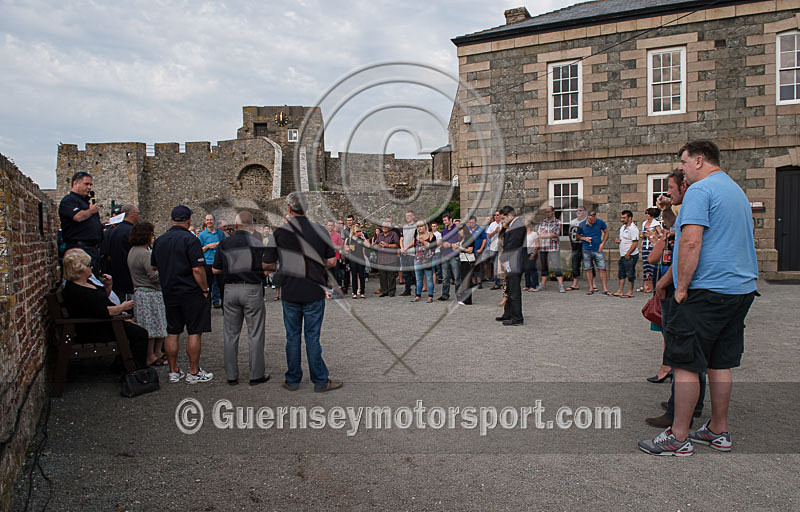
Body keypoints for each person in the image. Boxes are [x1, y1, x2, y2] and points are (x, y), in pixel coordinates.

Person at [639, 140, 758, 456]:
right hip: (739, 288)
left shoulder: (700, 191)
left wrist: (680, 288)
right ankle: (718, 430)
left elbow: (691, 243)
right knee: (720, 363)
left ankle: (678, 437)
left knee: (685, 363)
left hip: (706, 290)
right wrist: (667, 280)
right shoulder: (734, 190)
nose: (682, 168)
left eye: (684, 161)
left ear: (700, 160)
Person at [643, 168, 705, 428]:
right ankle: (690, 404)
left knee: (682, 351)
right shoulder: (685, 209)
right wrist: (667, 212)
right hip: (676, 284)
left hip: (679, 287)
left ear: (684, 186)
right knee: (685, 349)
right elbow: (674, 227)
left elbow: (686, 247)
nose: (667, 192)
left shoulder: (695, 206)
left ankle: (678, 411)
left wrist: (665, 282)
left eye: (670, 187)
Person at [262, 192, 343, 392]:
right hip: (313, 289)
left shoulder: (280, 233)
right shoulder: (320, 230)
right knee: (312, 337)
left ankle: (292, 379)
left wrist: (285, 266)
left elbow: (267, 264)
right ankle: (320, 380)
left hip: (290, 290)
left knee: (292, 336)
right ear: (307, 209)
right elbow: (332, 261)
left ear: (289, 209)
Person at [151, 205, 214, 384]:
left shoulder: (160, 240)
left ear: (172, 219)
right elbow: (197, 269)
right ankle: (193, 371)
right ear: (189, 220)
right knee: (195, 331)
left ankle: (173, 370)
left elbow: (154, 266)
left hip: (170, 290)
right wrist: (204, 289)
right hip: (190, 291)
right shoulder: (190, 240)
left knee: (173, 331)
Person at [61, 248, 147, 368]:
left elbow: (98, 303)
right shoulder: (77, 290)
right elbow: (102, 310)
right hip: (94, 329)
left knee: (135, 330)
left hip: (101, 323)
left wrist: (108, 287)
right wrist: (123, 307)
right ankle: (135, 367)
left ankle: (123, 364)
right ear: (80, 268)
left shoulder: (83, 284)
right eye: (88, 265)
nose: (91, 267)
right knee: (140, 334)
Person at [212, 211, 269, 386]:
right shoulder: (257, 243)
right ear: (252, 225)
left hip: (230, 289)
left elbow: (215, 269)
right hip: (251, 288)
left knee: (230, 334)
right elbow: (267, 268)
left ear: (235, 225)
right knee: (255, 333)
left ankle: (231, 375)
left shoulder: (225, 243)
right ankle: (256, 374)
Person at [126, 222, 167, 367]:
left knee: (155, 324)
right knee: (151, 326)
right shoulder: (144, 254)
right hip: (149, 293)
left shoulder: (133, 251)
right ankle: (151, 355)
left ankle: (156, 352)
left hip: (142, 292)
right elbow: (154, 276)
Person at [59, 172, 104, 273]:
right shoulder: (69, 200)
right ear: (75, 183)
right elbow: (78, 217)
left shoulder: (86, 202)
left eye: (90, 185)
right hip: (79, 249)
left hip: (92, 249)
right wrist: (91, 211)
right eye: (86, 184)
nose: (89, 187)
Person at [497, 206, 526, 325]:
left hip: (515, 262)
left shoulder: (517, 225)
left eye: (503, 218)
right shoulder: (513, 225)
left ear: (509, 215)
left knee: (514, 290)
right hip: (511, 261)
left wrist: (503, 259)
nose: (502, 221)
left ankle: (517, 317)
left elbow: (512, 245)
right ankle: (508, 313)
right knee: (509, 288)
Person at [105, 204, 140, 299]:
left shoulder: (113, 231)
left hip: (116, 273)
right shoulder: (133, 231)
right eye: (138, 213)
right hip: (130, 274)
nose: (138, 216)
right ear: (132, 214)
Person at [535, 206, 565, 293]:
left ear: (553, 212)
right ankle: (542, 285)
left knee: (556, 267)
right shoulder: (542, 222)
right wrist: (550, 235)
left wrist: (546, 235)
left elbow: (556, 233)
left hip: (553, 248)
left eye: (548, 211)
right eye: (546, 212)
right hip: (543, 247)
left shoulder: (557, 222)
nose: (547, 213)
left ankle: (561, 285)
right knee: (544, 267)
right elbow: (539, 234)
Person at [197, 213, 225, 308]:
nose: (209, 221)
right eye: (207, 220)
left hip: (219, 263)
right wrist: (208, 246)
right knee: (208, 287)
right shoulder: (202, 235)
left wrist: (219, 245)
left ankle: (224, 308)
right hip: (208, 263)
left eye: (211, 220)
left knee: (221, 286)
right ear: (205, 222)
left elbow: (225, 246)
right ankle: (207, 308)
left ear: (214, 221)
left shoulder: (221, 233)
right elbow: (198, 250)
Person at [579, 211, 610, 295]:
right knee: (588, 268)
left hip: (598, 249)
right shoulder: (581, 224)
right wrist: (584, 238)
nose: (594, 221)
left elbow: (606, 232)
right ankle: (591, 287)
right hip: (586, 249)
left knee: (602, 268)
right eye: (592, 220)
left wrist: (603, 243)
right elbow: (578, 236)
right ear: (588, 218)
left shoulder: (600, 222)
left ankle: (605, 288)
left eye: (595, 219)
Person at [611, 210, 639, 298]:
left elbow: (635, 242)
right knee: (621, 273)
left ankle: (630, 291)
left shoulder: (633, 229)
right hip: (623, 254)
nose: (622, 219)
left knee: (630, 273)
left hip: (630, 255)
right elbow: (624, 239)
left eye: (624, 217)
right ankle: (620, 290)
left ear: (629, 218)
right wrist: (618, 241)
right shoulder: (622, 228)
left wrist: (628, 253)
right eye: (622, 217)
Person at [437, 212, 462, 301]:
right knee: (445, 277)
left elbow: (462, 241)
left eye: (445, 220)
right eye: (443, 220)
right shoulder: (444, 231)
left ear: (450, 220)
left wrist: (450, 245)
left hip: (454, 256)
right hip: (445, 255)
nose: (444, 222)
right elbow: (442, 243)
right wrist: (442, 244)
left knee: (457, 277)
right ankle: (445, 295)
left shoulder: (457, 229)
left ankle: (459, 296)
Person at [638, 207, 663, 293]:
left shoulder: (656, 223)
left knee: (651, 264)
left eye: (647, 213)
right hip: (645, 244)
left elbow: (661, 234)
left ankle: (652, 284)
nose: (646, 215)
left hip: (652, 244)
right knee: (645, 264)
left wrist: (653, 235)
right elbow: (642, 233)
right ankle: (646, 284)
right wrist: (643, 235)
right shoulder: (644, 223)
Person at [411, 221, 437, 303]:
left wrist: (423, 241)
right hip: (417, 259)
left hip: (427, 260)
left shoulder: (431, 236)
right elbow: (415, 246)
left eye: (421, 226)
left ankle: (430, 296)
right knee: (418, 279)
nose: (419, 228)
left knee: (429, 279)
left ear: (425, 227)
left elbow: (432, 247)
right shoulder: (416, 236)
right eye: (418, 227)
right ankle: (417, 295)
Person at [374, 222, 400, 297]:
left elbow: (397, 245)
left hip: (391, 258)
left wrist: (388, 245)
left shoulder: (393, 234)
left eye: (386, 226)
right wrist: (378, 245)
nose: (384, 228)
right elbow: (375, 245)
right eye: (383, 226)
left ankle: (391, 291)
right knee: (382, 277)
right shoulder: (380, 235)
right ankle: (384, 291)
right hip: (381, 258)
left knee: (391, 276)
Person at [344, 223, 369, 298]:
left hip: (361, 259)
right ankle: (354, 292)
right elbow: (345, 248)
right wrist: (349, 248)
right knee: (354, 275)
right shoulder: (349, 239)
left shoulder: (361, 239)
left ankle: (362, 292)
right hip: (353, 259)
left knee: (362, 276)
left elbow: (368, 245)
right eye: (358, 231)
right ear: (354, 231)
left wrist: (364, 237)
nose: (359, 232)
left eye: (360, 231)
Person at [567, 206, 589, 291]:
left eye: (580, 210)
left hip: (585, 246)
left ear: (585, 212)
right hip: (575, 247)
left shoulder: (587, 221)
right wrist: (571, 244)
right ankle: (575, 284)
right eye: (577, 211)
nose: (578, 212)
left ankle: (593, 284)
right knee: (575, 265)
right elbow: (570, 233)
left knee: (589, 265)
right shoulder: (572, 222)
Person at [453, 224, 476, 305]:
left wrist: (459, 247)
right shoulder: (461, 239)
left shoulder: (469, 237)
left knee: (467, 281)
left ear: (464, 230)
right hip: (462, 260)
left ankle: (468, 300)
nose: (459, 232)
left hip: (468, 261)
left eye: (460, 230)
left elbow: (470, 250)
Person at [399, 211, 418, 296]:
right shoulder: (404, 227)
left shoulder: (416, 226)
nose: (407, 217)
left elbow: (415, 240)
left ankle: (417, 290)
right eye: (406, 216)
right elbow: (401, 238)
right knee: (406, 273)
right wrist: (402, 248)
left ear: (413, 216)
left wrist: (406, 248)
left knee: (414, 273)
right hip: (404, 253)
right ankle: (407, 290)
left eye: (409, 215)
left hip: (412, 252)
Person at [467, 216, 487, 288]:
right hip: (469, 251)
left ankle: (479, 282)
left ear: (475, 222)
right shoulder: (467, 229)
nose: (471, 224)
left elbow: (484, 239)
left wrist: (481, 249)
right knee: (471, 267)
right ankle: (473, 282)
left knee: (478, 266)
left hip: (477, 250)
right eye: (470, 222)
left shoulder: (480, 229)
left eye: (472, 222)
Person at [486, 210, 503, 289]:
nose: (496, 216)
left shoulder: (503, 223)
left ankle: (503, 282)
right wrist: (495, 231)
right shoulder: (492, 224)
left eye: (498, 215)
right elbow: (488, 236)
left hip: (502, 248)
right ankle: (497, 283)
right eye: (495, 215)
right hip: (493, 248)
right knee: (495, 266)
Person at [524, 219, 539, 291]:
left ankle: (534, 285)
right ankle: (527, 285)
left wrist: (533, 254)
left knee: (532, 269)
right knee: (526, 270)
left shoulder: (534, 234)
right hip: (525, 254)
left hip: (532, 253)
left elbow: (537, 245)